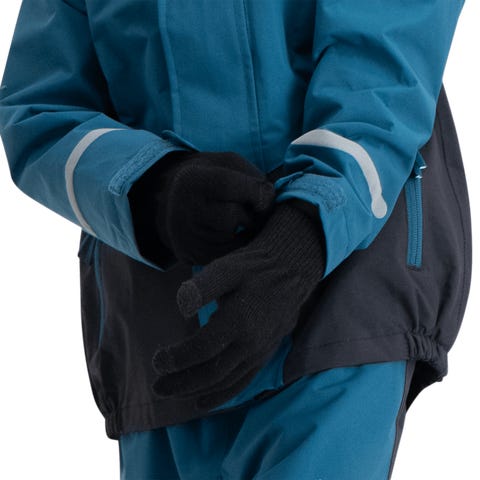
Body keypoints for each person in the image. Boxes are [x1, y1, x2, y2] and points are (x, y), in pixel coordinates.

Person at [0, 1, 471, 478]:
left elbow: (385, 64)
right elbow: (38, 107)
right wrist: (153, 187)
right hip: (159, 328)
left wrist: (306, 231)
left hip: (339, 286)